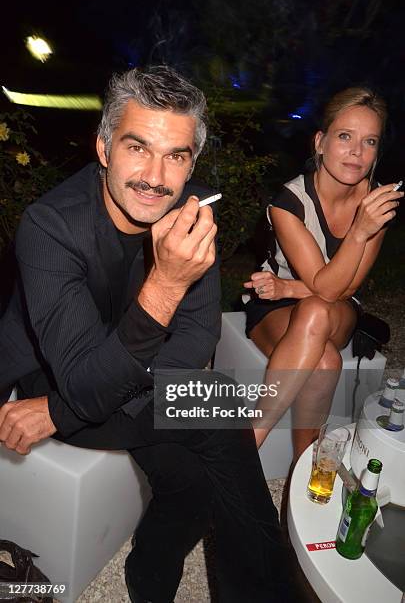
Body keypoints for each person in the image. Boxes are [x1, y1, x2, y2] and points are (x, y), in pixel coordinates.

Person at [0, 66, 296, 603]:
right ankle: (267, 589)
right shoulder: (49, 228)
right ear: (105, 148)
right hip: (56, 382)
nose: (156, 176)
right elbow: (86, 385)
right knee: (219, 415)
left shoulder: (194, 208)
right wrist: (164, 283)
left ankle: (153, 574)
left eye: (177, 155)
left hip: (87, 396)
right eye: (138, 147)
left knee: (197, 472)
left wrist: (60, 411)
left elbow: (193, 344)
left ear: (193, 163)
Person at [244, 87, 402, 462]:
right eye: (345, 136)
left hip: (339, 307)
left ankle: (245, 444)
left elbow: (342, 289)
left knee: (318, 308)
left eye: (370, 142)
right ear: (321, 141)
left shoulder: (376, 202)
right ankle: (304, 465)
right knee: (326, 360)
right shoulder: (287, 203)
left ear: (377, 153)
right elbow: (321, 285)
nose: (356, 152)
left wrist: (362, 228)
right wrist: (285, 288)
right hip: (274, 306)